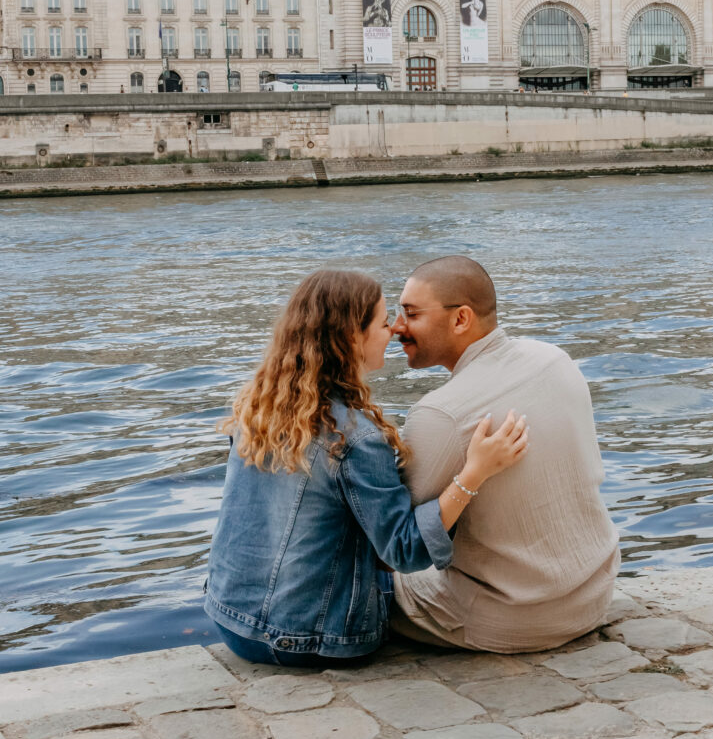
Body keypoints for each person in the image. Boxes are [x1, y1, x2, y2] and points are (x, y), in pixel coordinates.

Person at [204, 269, 528, 667]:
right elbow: (405, 550)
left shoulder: (256, 407)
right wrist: (475, 472)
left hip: (229, 620)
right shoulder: (354, 438)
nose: (393, 329)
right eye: (382, 320)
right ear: (351, 338)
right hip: (311, 638)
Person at [389, 256, 620, 652]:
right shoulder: (554, 358)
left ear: (461, 319)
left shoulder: (439, 413)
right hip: (593, 594)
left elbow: (401, 540)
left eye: (410, 314)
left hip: (512, 615)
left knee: (361, 575)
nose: (396, 327)